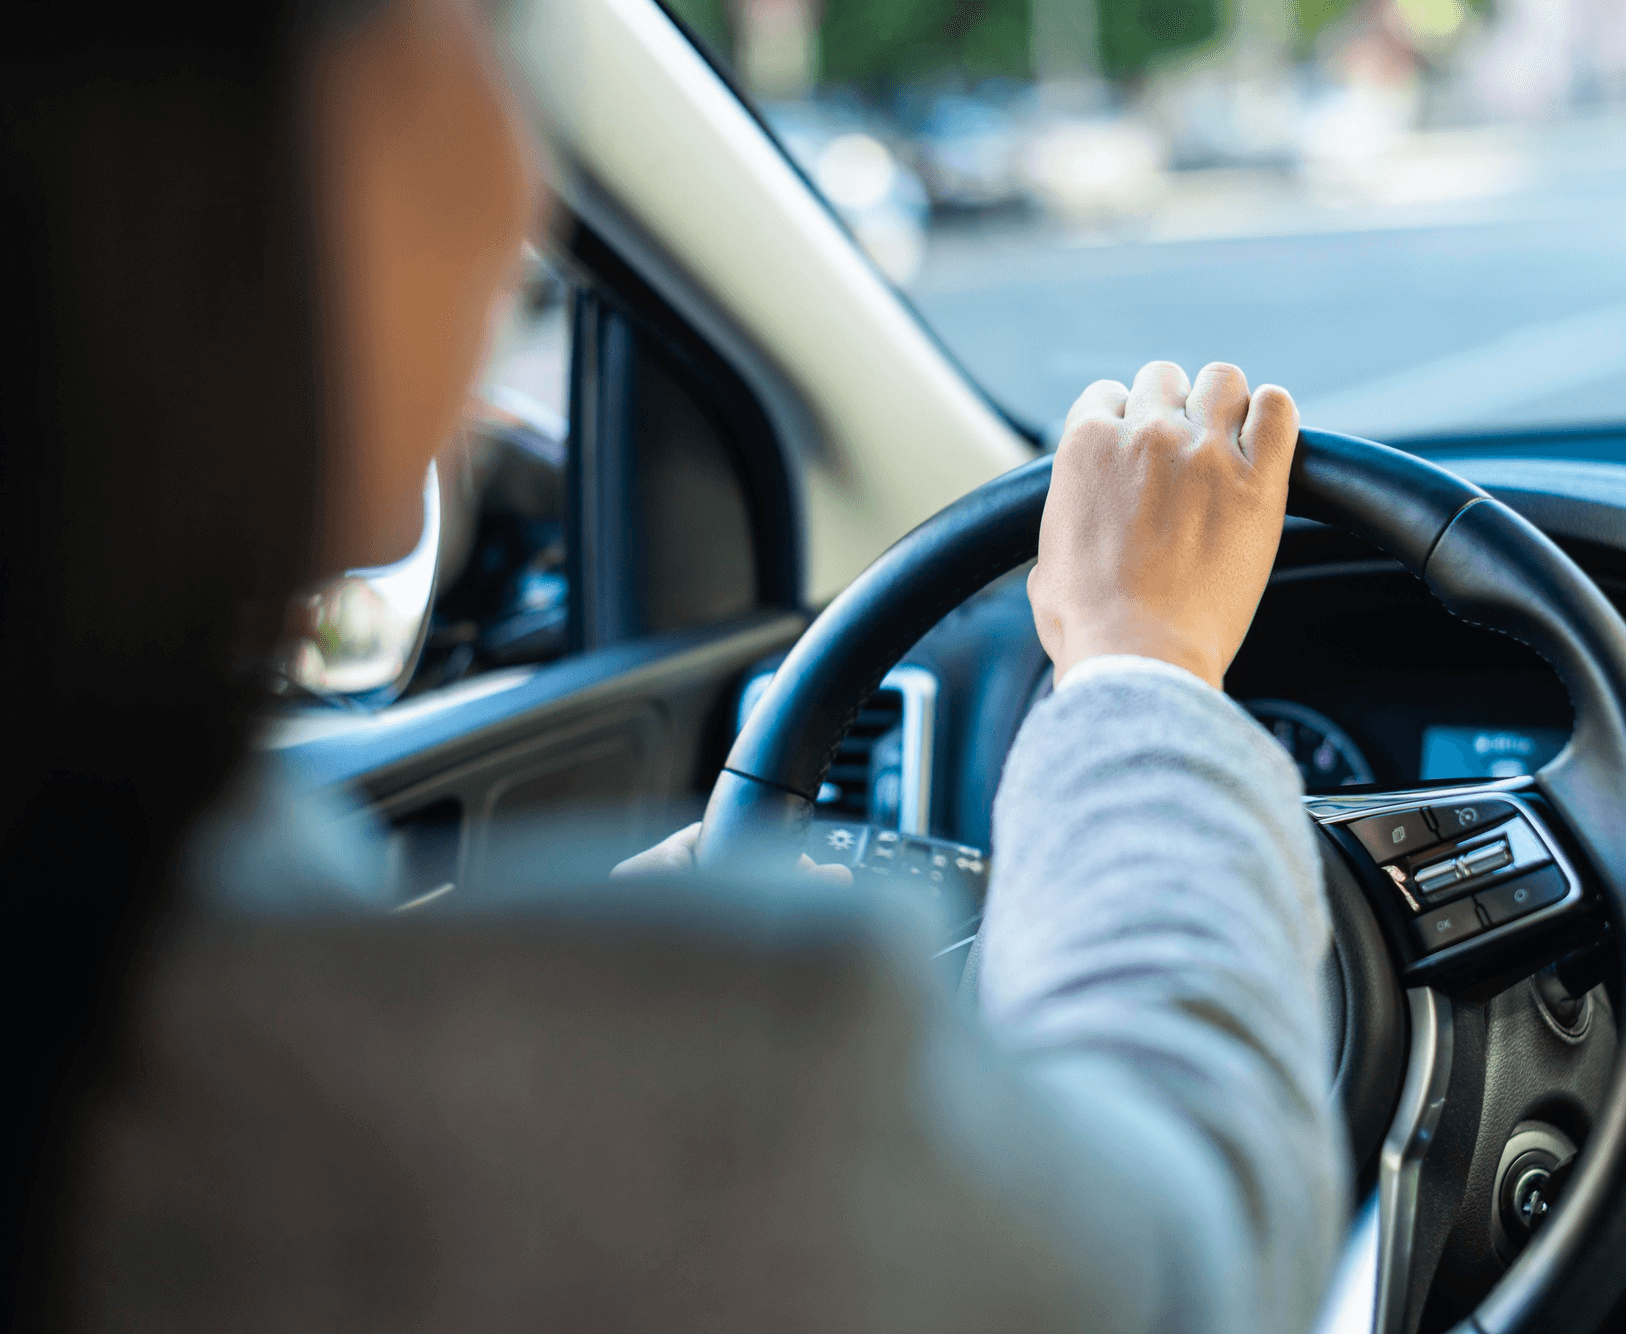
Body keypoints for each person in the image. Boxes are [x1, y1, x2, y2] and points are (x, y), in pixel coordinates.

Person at [1, 1, 1344, 1330]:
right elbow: (1190, 1252)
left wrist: (688, 882)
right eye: (480, 39)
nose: (522, 178)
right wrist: (1141, 661)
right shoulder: (690, 1092)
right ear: (269, 169)